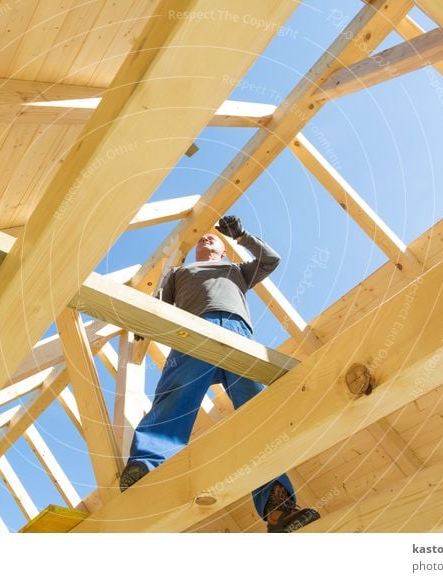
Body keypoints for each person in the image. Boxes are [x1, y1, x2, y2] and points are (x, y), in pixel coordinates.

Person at [119, 215, 320, 533]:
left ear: (225, 252)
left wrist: (242, 236)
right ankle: (147, 467)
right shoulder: (179, 272)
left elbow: (271, 259)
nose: (206, 239)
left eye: (213, 239)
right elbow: (158, 304)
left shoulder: (237, 271)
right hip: (193, 330)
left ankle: (277, 506)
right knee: (174, 397)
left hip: (238, 333)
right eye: (201, 239)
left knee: (257, 414)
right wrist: (142, 322)